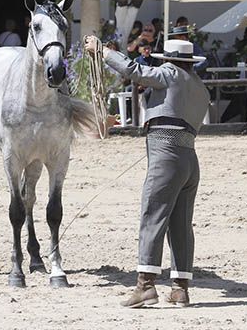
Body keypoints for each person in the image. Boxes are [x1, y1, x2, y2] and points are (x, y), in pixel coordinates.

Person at [84, 35, 210, 309]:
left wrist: (103, 52)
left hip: (166, 155)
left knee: (152, 216)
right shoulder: (200, 87)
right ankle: (180, 289)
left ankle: (146, 285)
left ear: (170, 60)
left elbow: (135, 71)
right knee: (181, 224)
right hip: (189, 157)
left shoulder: (169, 74)